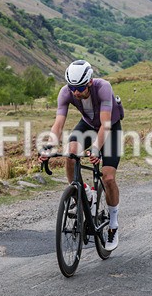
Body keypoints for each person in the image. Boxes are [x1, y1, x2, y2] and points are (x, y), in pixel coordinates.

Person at [39, 60, 124, 250]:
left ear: (90, 82)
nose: (76, 92)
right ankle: (82, 191)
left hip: (110, 126)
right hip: (87, 124)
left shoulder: (103, 88)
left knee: (108, 177)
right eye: (72, 87)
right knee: (70, 153)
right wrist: (50, 146)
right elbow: (59, 123)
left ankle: (113, 225)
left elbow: (105, 125)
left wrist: (95, 148)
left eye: (79, 88)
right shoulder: (65, 92)